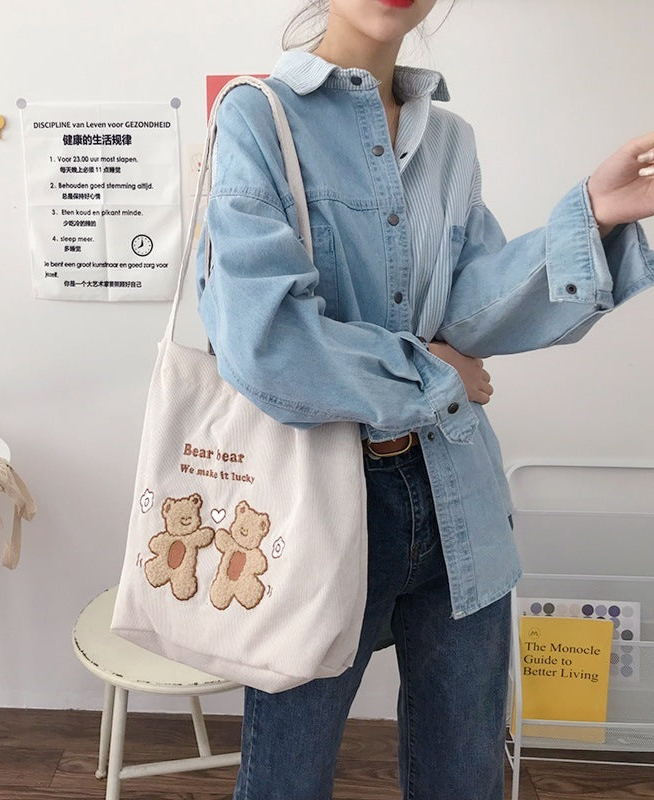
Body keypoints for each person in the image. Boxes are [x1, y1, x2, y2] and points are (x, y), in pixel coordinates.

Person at [195, 1, 654, 797]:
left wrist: (590, 215)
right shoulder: (256, 117)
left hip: (457, 491)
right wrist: (433, 373)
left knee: (464, 775)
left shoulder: (448, 139)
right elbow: (264, 343)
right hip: (311, 499)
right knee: (286, 778)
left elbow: (470, 309)